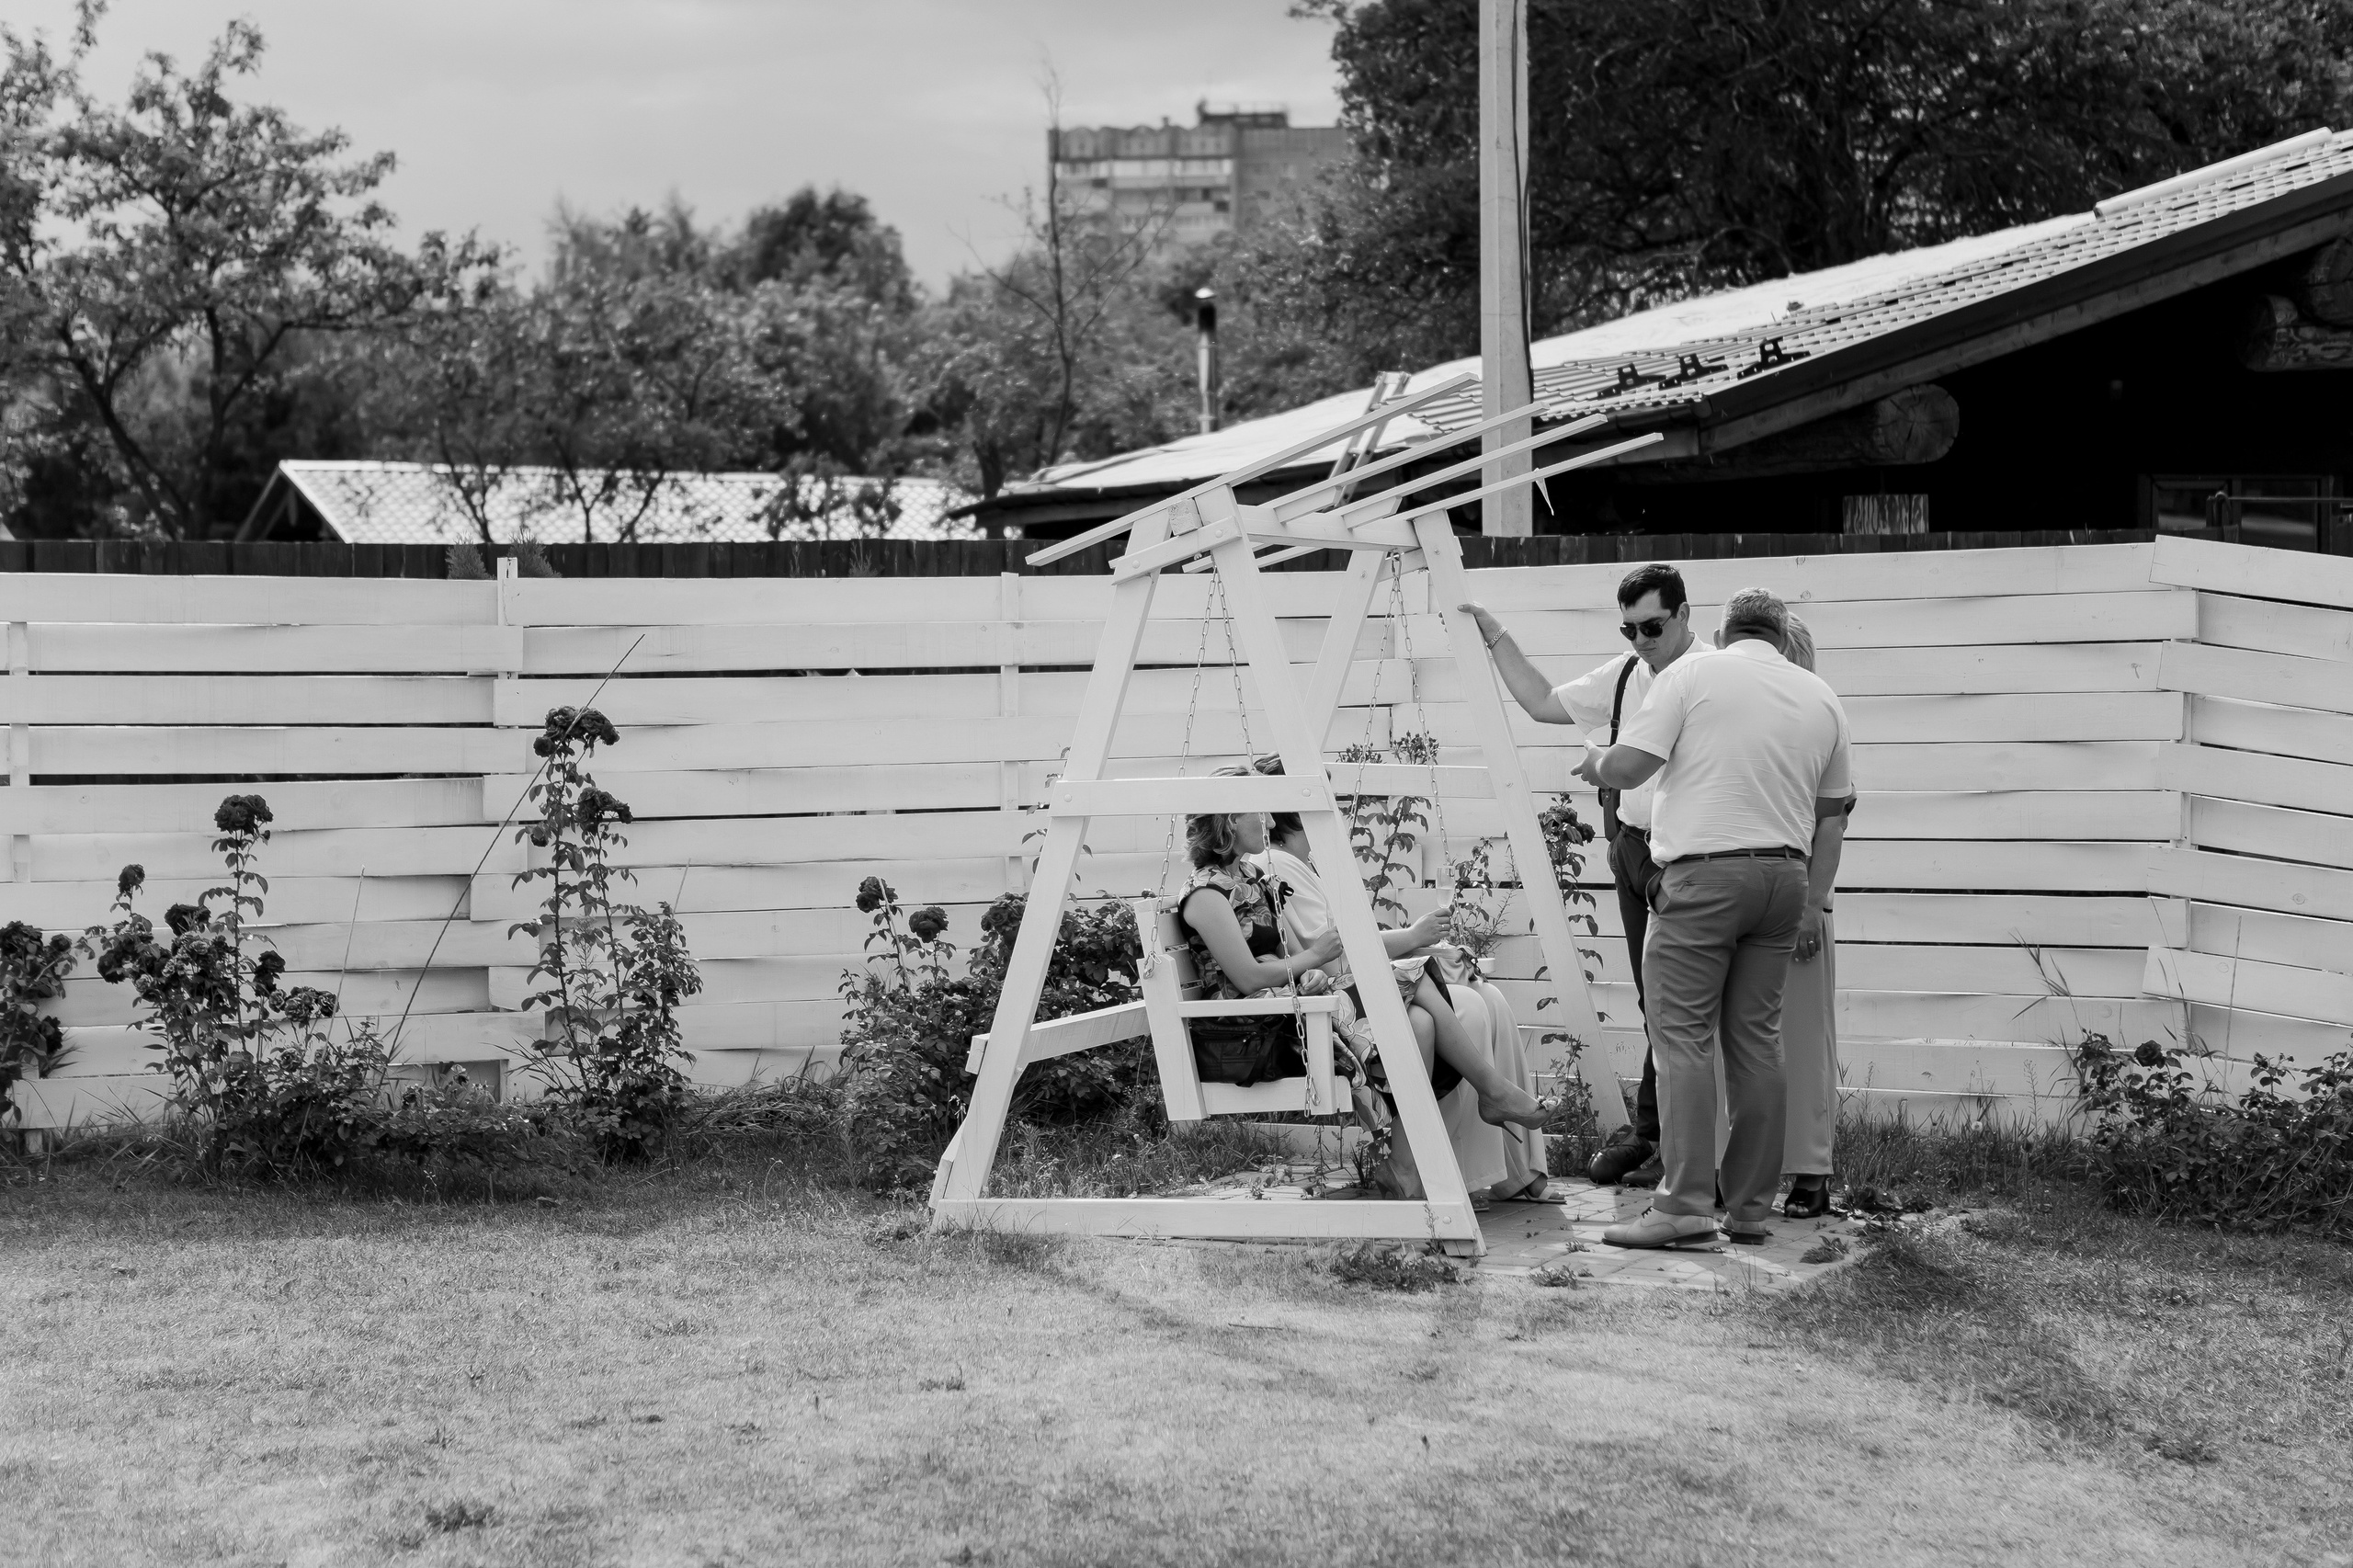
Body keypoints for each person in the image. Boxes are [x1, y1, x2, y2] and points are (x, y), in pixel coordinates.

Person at [1576, 586, 1852, 1248]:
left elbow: (1632, 765)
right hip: (1785, 880)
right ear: (1780, 633)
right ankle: (1750, 1210)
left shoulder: (1692, 673)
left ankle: (1683, 1206)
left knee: (1682, 1039)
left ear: (1722, 629)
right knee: (1757, 1044)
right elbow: (1834, 810)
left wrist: (1596, 764)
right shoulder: (1821, 696)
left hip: (1704, 879)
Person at [1460, 562, 1713, 1186]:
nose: (1641, 641)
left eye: (1652, 627)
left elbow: (1622, 765)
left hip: (1690, 854)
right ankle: (1653, 1135)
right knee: (1655, 1002)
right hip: (1633, 847)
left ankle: (1680, 1148)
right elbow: (1545, 703)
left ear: (1683, 615)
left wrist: (1601, 765)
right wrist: (1494, 635)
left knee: (1683, 1004)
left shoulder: (1711, 674)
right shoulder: (1628, 673)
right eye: (1629, 629)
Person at [1174, 779, 1552, 1138]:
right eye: (1261, 812)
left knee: (1420, 1020)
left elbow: (1277, 952)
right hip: (1250, 1024)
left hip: (1286, 1001)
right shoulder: (1205, 894)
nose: (1272, 821)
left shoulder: (1250, 874)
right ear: (1229, 820)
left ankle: (1406, 1163)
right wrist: (1313, 959)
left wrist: (1307, 974)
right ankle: (1493, 1092)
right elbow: (1247, 978)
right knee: (1414, 975)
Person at [1251, 777, 1550, 1202]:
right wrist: (1413, 938)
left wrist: (1429, 946)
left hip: (1354, 977)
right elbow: (1336, 952)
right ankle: (1448, 1168)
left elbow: (1350, 940)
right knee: (1466, 1008)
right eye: (1326, 797)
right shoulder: (1277, 864)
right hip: (1337, 990)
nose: (1335, 808)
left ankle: (1510, 1170)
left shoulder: (1305, 862)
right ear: (1293, 809)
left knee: (1491, 999)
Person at [1776, 614, 1851, 1218]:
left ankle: (1809, 1171)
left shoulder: (1821, 720)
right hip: (1747, 900)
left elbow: (1832, 825)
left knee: (1802, 1043)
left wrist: (1811, 907)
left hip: (1801, 902)